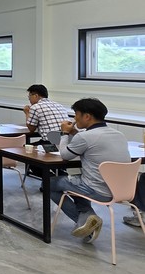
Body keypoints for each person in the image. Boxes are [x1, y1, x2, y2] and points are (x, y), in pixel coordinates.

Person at [52, 98, 130, 243]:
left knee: (49, 184)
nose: (74, 118)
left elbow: (65, 155)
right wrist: (75, 133)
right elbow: (90, 143)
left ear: (87, 116)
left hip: (97, 191)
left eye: (76, 114)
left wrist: (64, 133)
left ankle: (85, 222)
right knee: (77, 180)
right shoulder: (118, 134)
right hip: (121, 190)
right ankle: (87, 216)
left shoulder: (85, 137)